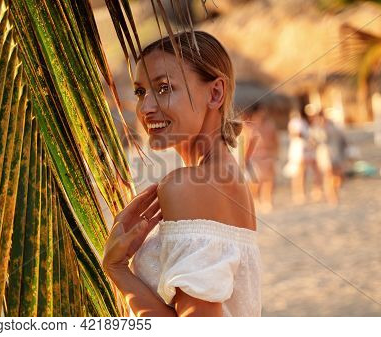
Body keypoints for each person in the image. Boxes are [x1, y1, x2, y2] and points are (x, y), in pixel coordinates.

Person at [102, 31, 262, 317]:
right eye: (141, 92)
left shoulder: (188, 185)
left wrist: (117, 270)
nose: (146, 108)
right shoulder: (228, 178)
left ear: (215, 93)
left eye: (164, 88)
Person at [242, 105, 279, 212]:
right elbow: (246, 144)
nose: (262, 115)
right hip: (254, 156)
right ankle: (256, 199)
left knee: (269, 179)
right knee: (255, 181)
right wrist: (244, 159)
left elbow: (275, 140)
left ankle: (267, 200)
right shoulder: (249, 127)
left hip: (267, 155)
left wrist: (275, 153)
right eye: (260, 113)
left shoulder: (270, 125)